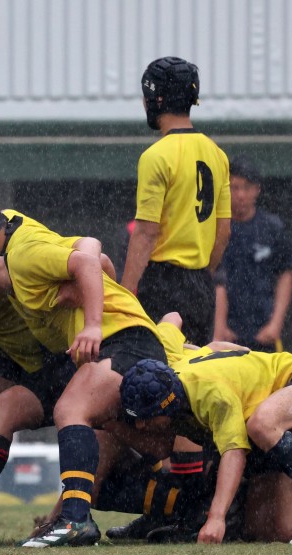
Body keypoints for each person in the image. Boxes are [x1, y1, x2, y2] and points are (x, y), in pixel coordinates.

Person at [0, 198, 166, 549]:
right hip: (96, 352)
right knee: (0, 411)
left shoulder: (22, 257)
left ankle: (76, 520)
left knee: (73, 412)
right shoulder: (14, 285)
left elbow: (91, 258)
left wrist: (94, 324)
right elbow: (96, 265)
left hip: (125, 340)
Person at [120, 350, 292, 544]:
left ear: (167, 406)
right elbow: (184, 332)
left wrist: (217, 518)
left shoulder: (212, 395)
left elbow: (234, 453)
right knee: (265, 529)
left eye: (146, 417)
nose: (140, 425)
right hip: (281, 421)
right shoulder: (170, 383)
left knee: (261, 424)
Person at [121, 57, 231, 346]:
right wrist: (201, 275)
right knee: (195, 365)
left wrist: (126, 294)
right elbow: (223, 232)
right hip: (202, 286)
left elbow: (146, 232)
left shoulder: (156, 156)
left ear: (155, 99)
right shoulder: (217, 154)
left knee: (155, 366)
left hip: (162, 283)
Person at [213, 156, 292, 352]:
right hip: (225, 337)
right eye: (234, 187)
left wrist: (275, 324)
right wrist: (219, 327)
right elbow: (212, 279)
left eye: (247, 187)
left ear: (257, 189)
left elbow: (285, 274)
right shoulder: (216, 228)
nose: (240, 194)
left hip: (264, 335)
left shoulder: (272, 228)